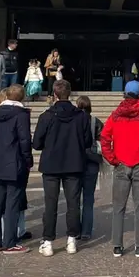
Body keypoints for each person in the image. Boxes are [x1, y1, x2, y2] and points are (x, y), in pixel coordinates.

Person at [32, 79, 92, 257]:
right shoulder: (81, 116)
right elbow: (87, 141)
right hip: (73, 163)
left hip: (51, 164)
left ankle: (48, 241)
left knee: (50, 204)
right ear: (70, 94)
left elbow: (36, 143)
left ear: (55, 95)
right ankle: (72, 239)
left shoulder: (47, 116)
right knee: (73, 203)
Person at [100, 80, 139, 258]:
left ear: (124, 94)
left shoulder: (116, 115)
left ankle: (117, 245)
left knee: (118, 207)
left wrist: (112, 159)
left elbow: (104, 137)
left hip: (121, 164)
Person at [0, 85, 33, 254]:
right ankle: (10, 242)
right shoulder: (21, 115)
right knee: (12, 203)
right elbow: (24, 140)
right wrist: (28, 160)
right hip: (12, 163)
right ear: (21, 97)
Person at [77, 95, 104, 240]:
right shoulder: (95, 121)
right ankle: (86, 231)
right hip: (92, 162)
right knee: (88, 198)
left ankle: (74, 230)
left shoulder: (74, 120)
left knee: (74, 198)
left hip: (75, 162)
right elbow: (104, 140)